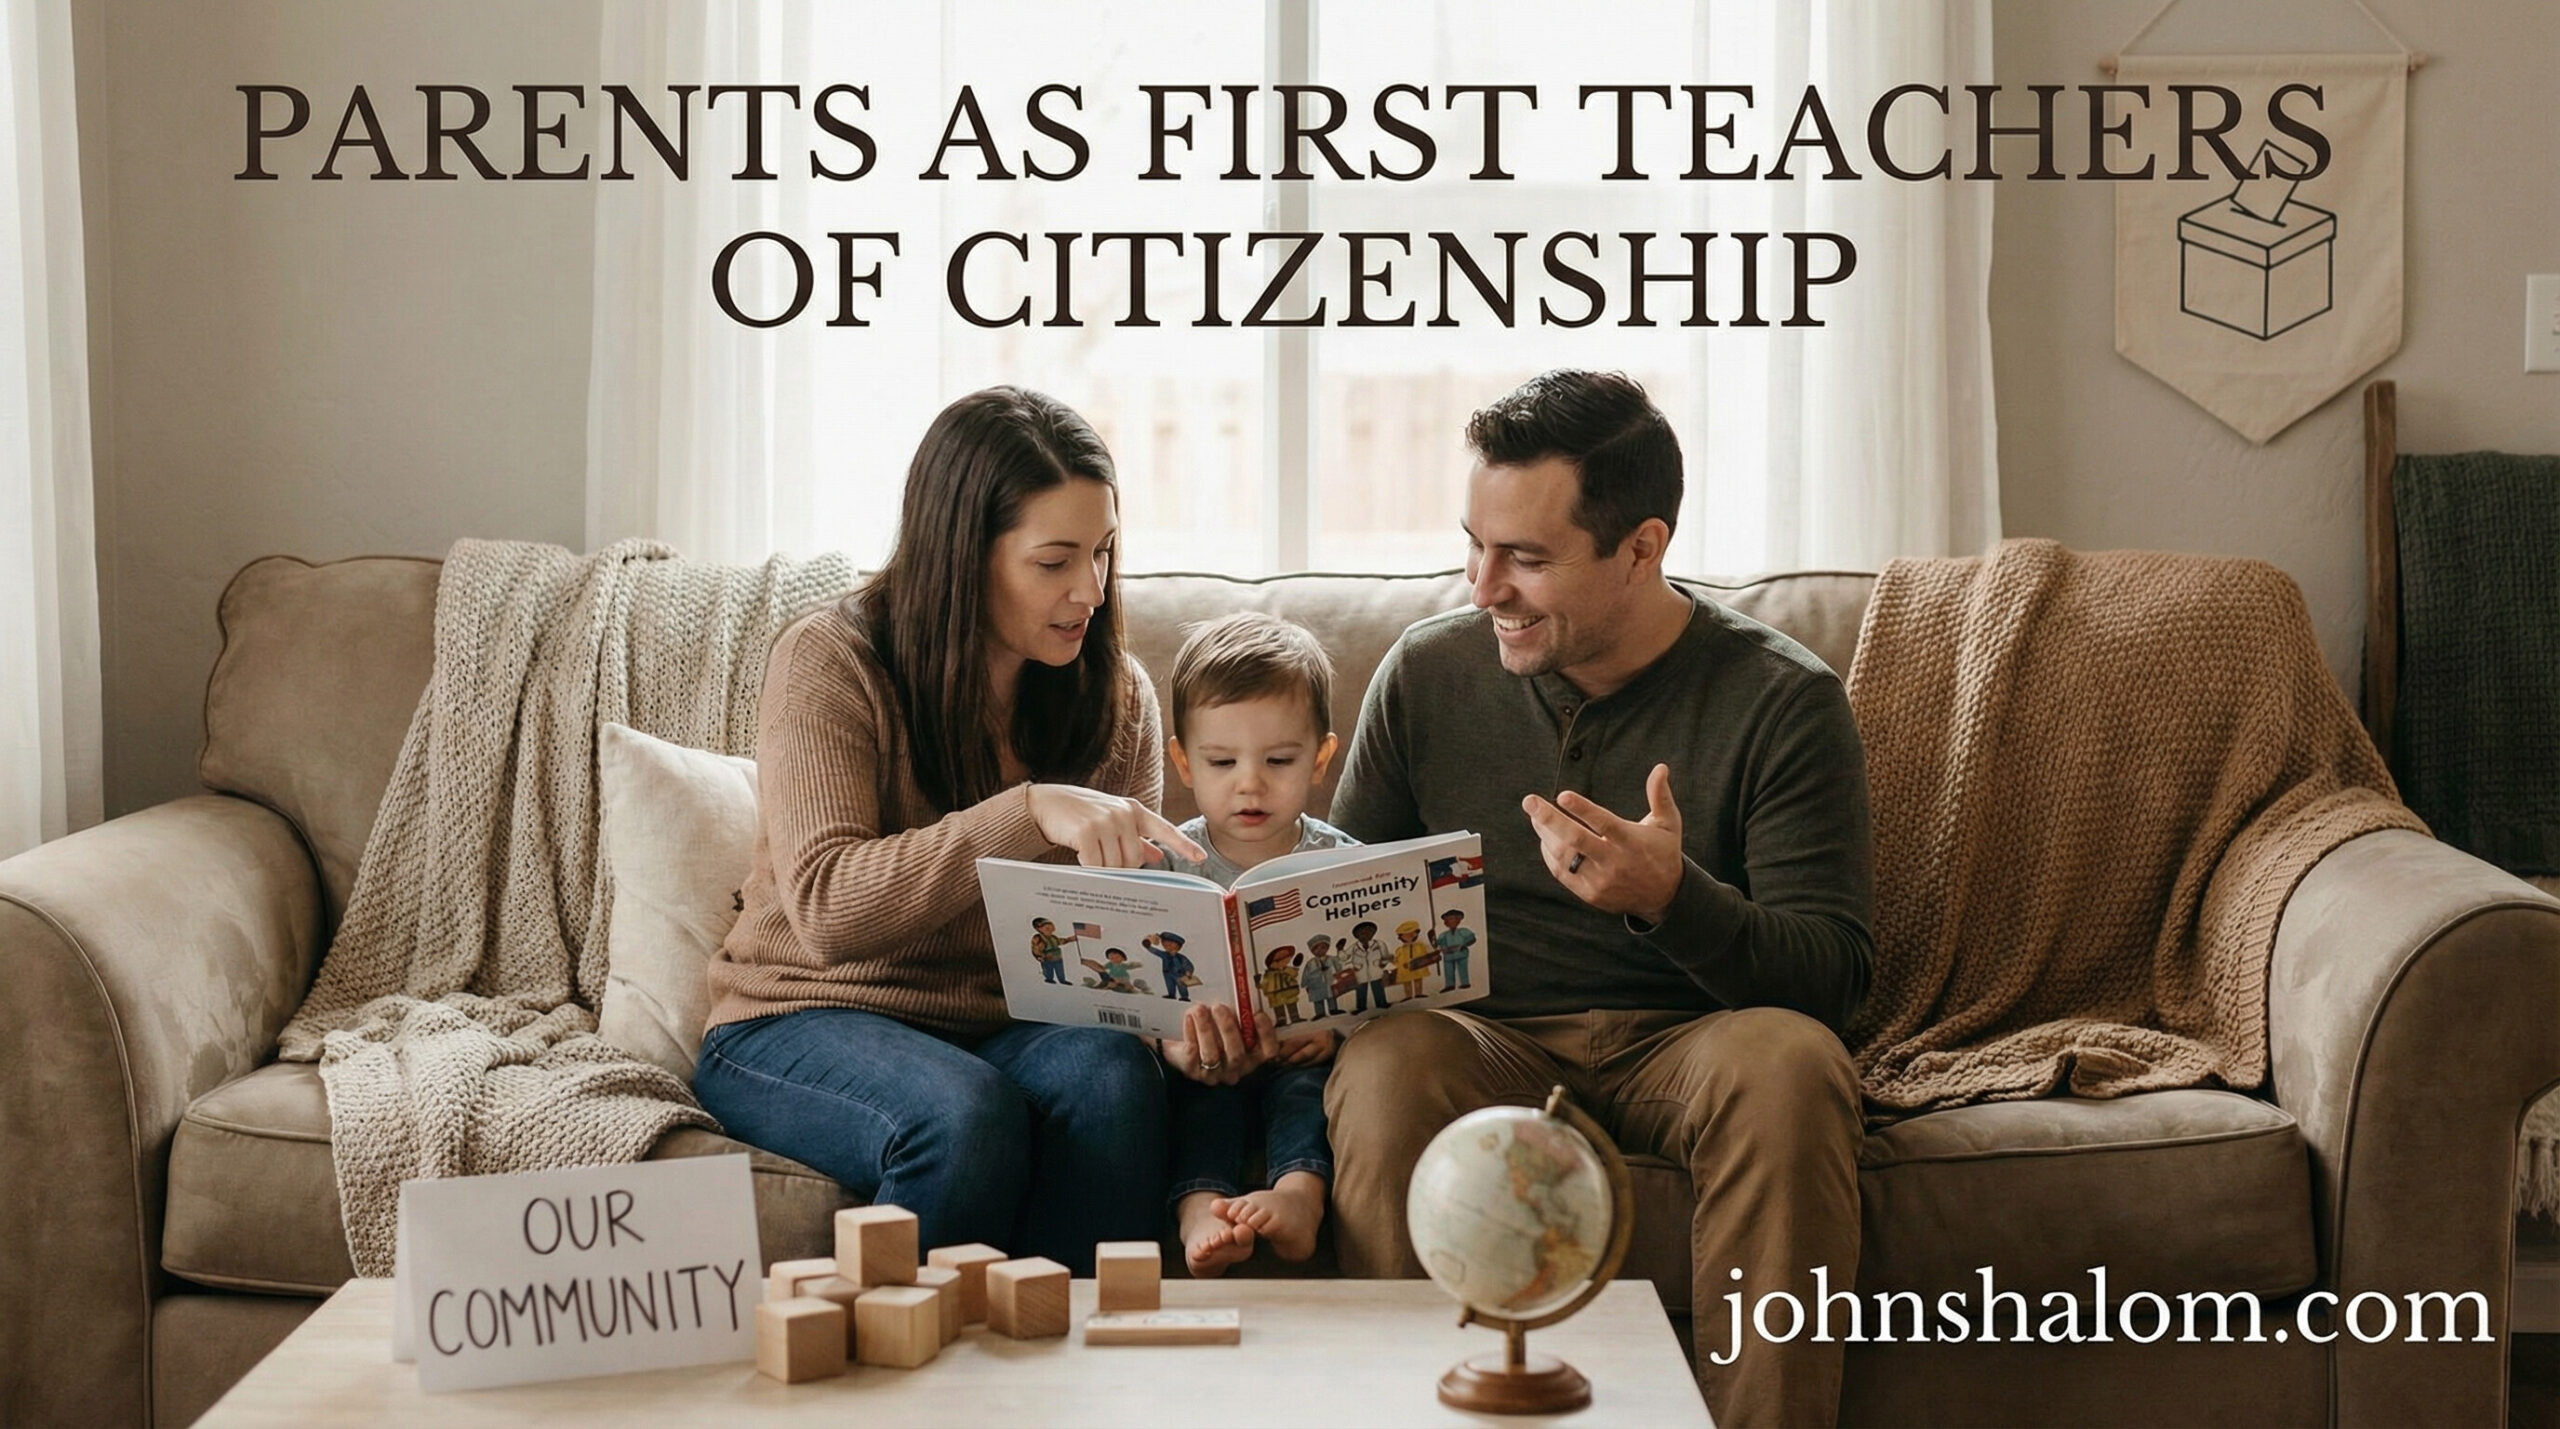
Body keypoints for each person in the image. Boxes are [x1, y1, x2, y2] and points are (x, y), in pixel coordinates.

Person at [1323, 370, 1874, 1426]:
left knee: (1792, 1067)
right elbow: (1346, 904)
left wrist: (1673, 898)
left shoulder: (1782, 699)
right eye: (1474, 544)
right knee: (1387, 1059)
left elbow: (1833, 978)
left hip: (1689, 1042)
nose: (1484, 586)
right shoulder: (1427, 675)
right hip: (1484, 1037)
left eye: (1527, 559)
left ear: (1640, 548)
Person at [691, 386, 1214, 1277]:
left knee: (1115, 1083)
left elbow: (1115, 949)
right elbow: (825, 911)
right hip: (804, 1013)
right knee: (964, 1114)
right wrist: (1026, 811)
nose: (1089, 589)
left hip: (1011, 1022)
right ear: (963, 554)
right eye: (1055, 561)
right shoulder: (830, 660)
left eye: (1103, 553)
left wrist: (1174, 1019)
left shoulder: (1117, 696)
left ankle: (1068, 1391)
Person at [1154, 612, 1354, 1276]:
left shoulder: (1344, 864)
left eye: (1278, 760)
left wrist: (1336, 1031)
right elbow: (1125, 993)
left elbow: (1384, 981)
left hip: (1300, 1052)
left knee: (1310, 1089)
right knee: (1200, 1101)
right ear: (1183, 760)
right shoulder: (1166, 862)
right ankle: (1201, 1206)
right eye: (1221, 761)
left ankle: (1300, 1196)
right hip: (1206, 1058)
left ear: (1321, 759)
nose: (1250, 782)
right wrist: (1170, 1043)